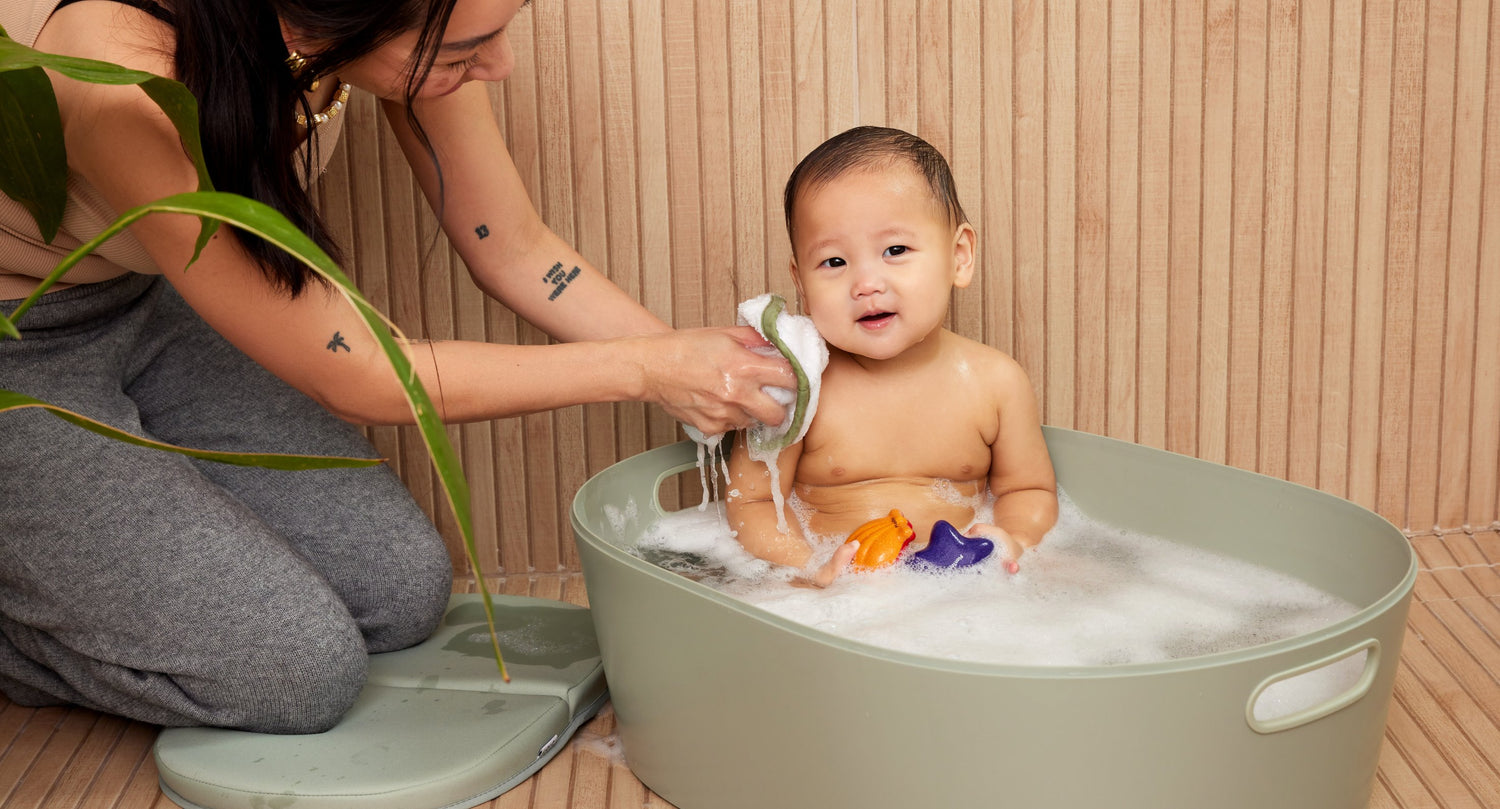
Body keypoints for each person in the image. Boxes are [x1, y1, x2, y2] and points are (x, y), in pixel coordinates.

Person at [0, 0, 795, 733]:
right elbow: (366, 378)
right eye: (468, 48)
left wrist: (715, 376)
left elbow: (512, 247)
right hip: (19, 354)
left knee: (402, 591)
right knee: (295, 672)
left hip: (154, 303)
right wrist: (647, 371)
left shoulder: (402, 25)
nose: (500, 66)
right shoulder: (130, 77)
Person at [725, 126, 1058, 586]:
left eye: (895, 250)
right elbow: (751, 504)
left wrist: (1013, 538)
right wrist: (807, 568)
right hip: (835, 602)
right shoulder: (795, 386)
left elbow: (1029, 489)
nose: (866, 284)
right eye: (834, 262)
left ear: (959, 257)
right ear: (800, 281)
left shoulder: (995, 382)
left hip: (967, 593)